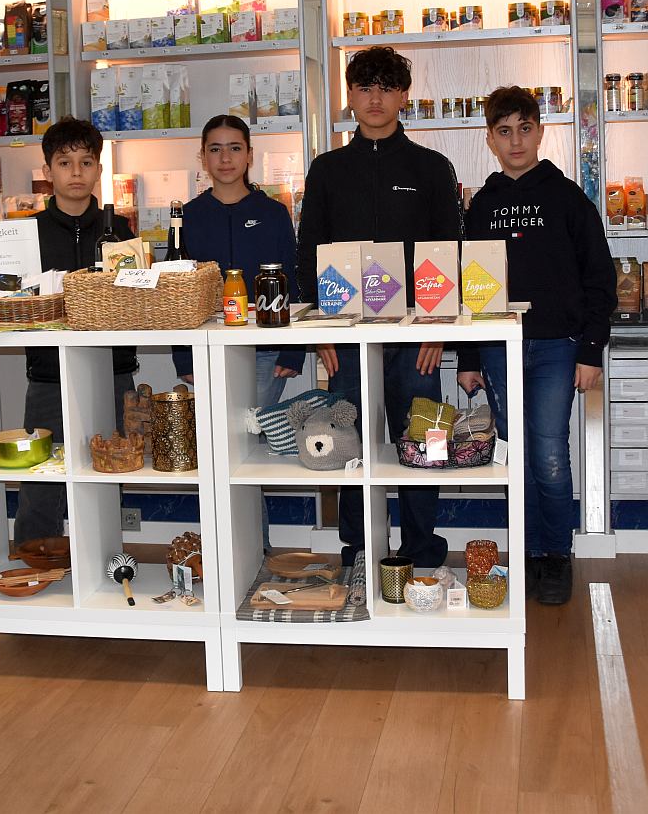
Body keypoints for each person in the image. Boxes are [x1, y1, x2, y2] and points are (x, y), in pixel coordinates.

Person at [295, 46, 461, 567]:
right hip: (345, 334)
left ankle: (421, 546)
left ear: (403, 96)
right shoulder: (327, 169)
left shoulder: (433, 168)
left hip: (417, 337)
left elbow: (449, 252)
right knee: (347, 441)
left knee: (423, 440)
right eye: (365, 87)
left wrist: (439, 330)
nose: (375, 98)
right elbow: (309, 251)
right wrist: (317, 330)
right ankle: (361, 547)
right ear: (350, 95)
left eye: (386, 87)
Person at [456, 86, 616, 605]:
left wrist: (591, 350)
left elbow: (599, 278)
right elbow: (468, 285)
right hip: (500, 347)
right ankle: (523, 554)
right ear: (490, 140)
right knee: (513, 457)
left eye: (525, 128)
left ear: (541, 132)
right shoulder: (483, 204)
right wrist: (471, 357)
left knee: (548, 454)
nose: (516, 140)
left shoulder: (567, 197)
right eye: (504, 131)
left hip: (557, 347)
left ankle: (555, 555)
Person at [173, 114, 304, 551]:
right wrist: (184, 358)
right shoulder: (189, 217)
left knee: (247, 448)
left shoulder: (272, 213)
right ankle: (219, 550)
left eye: (234, 148)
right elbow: (177, 288)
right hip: (207, 350)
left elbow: (294, 281)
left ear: (250, 155)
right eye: (215, 148)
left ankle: (254, 551)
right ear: (202, 158)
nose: (225, 158)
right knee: (214, 451)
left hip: (264, 350)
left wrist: (295, 352)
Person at [14, 116, 137, 545]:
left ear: (100, 170)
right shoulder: (28, 234)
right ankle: (34, 560)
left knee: (109, 470)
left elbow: (136, 295)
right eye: (65, 163)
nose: (77, 172)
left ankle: (104, 561)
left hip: (113, 371)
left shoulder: (119, 230)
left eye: (87, 162)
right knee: (42, 475)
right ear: (47, 172)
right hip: (49, 375)